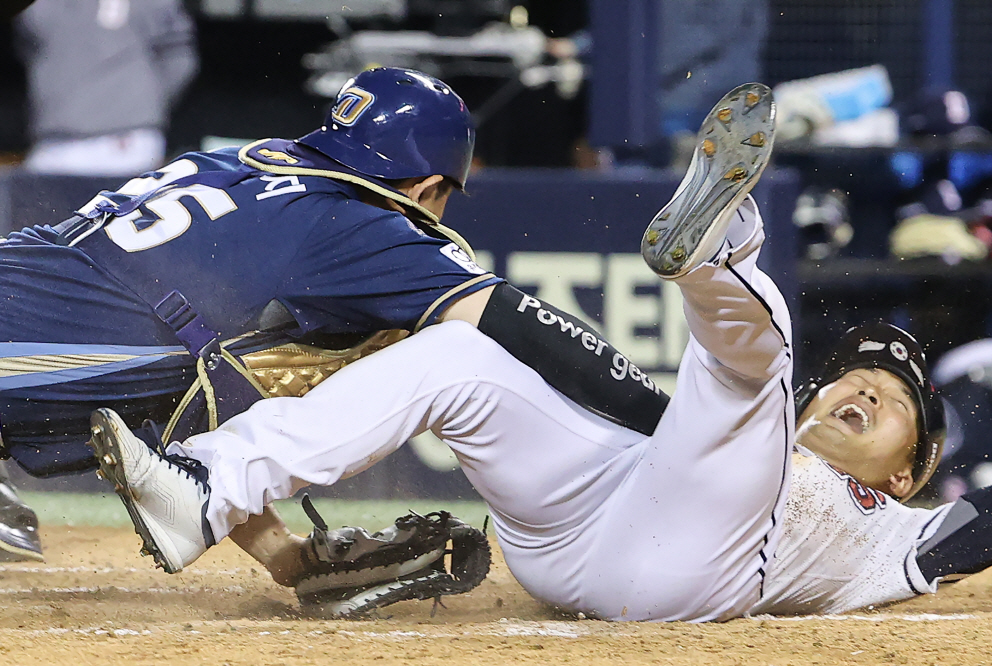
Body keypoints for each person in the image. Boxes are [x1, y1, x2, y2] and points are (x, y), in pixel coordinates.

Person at [93, 81, 992, 621]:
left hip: (706, 562)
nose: (864, 393)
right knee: (460, 360)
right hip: (575, 532)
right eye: (858, 379)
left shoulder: (897, 527)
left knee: (756, 362)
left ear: (911, 470)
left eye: (892, 401)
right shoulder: (769, 441)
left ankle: (721, 249)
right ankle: (208, 487)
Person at [0, 66, 666, 581]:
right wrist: (675, 421)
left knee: (231, 351)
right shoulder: (360, 226)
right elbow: (520, 325)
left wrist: (284, 556)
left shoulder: (244, 162)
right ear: (429, 186)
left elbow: (212, 374)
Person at [14, 0, 199, 175]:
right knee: (34, 204)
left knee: (121, 206)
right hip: (52, 140)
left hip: (123, 139)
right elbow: (28, 47)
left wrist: (140, 107)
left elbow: (179, 56)